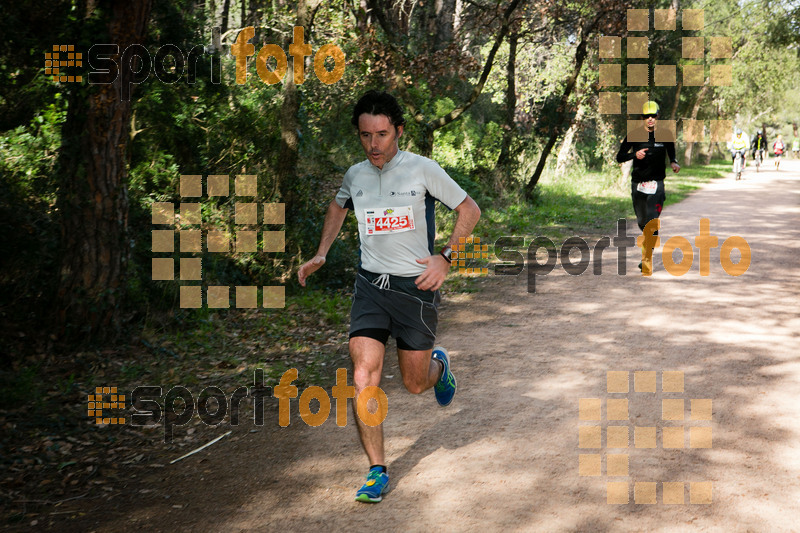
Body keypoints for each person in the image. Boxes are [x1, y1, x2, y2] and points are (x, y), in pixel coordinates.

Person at [297, 90, 481, 503]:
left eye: (382, 134)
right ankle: (376, 471)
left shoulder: (423, 170)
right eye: (365, 136)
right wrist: (321, 252)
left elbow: (470, 209)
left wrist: (446, 257)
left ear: (398, 131)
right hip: (370, 287)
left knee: (415, 385)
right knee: (364, 376)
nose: (374, 145)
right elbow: (338, 207)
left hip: (415, 290)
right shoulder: (355, 175)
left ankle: (438, 366)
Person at [615, 101, 680, 276]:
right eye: (646, 116)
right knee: (642, 222)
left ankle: (647, 258)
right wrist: (633, 155)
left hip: (657, 184)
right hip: (638, 185)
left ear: (658, 116)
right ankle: (647, 248)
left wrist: (674, 162)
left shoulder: (665, 135)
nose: (650, 119)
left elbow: (671, 153)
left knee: (652, 223)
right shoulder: (634, 135)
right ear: (642, 118)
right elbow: (619, 157)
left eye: (653, 116)